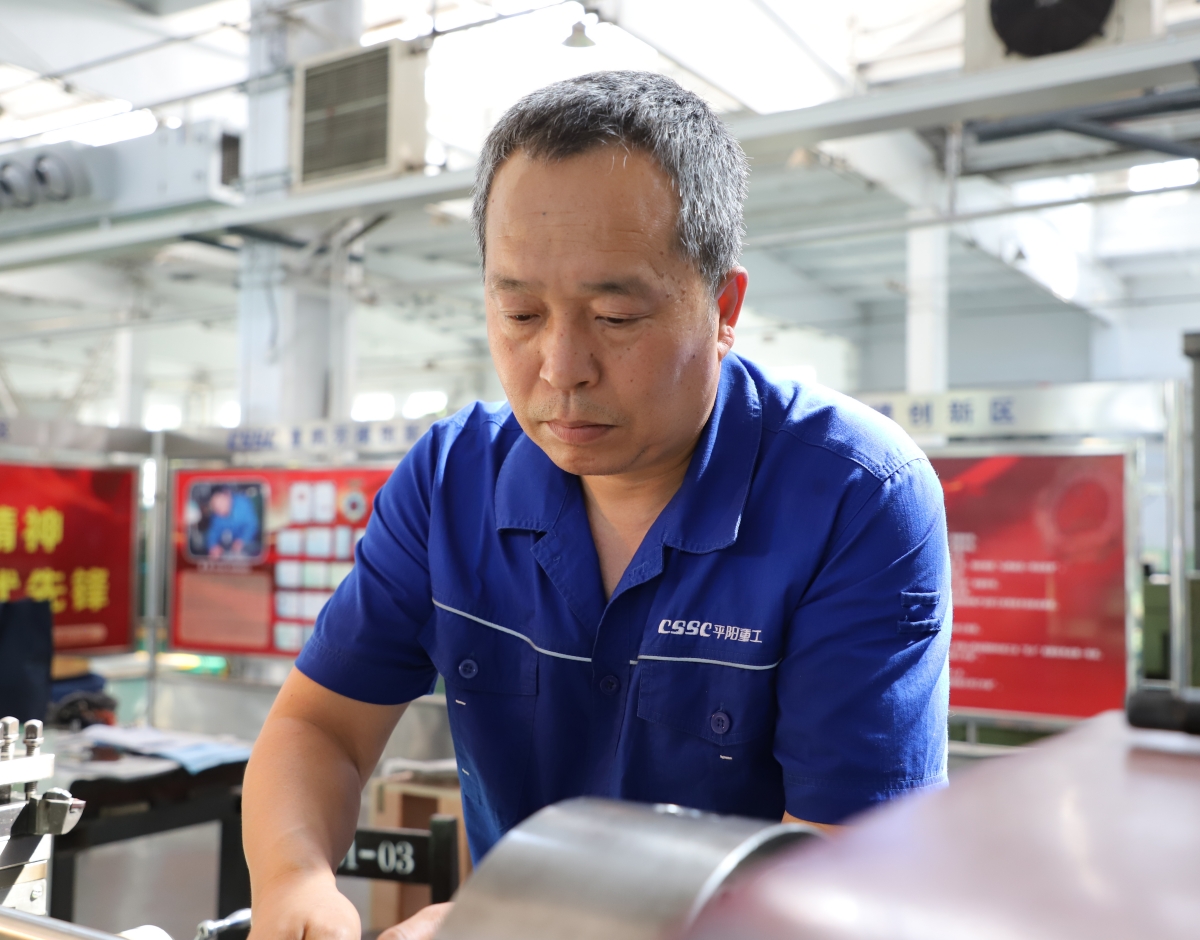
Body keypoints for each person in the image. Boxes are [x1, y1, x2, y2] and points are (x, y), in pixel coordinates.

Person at [243, 71, 951, 940]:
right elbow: (321, 726)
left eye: (615, 316)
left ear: (723, 306)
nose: (561, 368)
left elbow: (845, 873)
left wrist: (521, 929)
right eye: (520, 313)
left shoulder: (855, 497)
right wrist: (294, 883)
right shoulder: (450, 482)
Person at [205, 485, 260, 558]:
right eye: (215, 506)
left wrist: (243, 540)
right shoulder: (217, 514)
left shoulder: (243, 502)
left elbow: (252, 525)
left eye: (220, 502)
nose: (218, 509)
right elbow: (213, 531)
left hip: (249, 543)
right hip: (231, 546)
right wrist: (212, 546)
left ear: (228, 496)